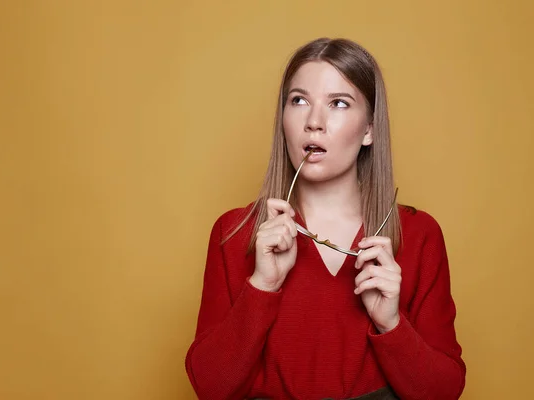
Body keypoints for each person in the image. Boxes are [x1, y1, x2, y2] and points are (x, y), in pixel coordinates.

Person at [185, 38, 466, 400]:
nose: (314, 122)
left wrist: (391, 324)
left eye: (338, 103)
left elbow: (444, 393)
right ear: (282, 119)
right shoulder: (234, 233)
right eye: (298, 101)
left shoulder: (419, 234)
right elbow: (210, 387)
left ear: (369, 130)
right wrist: (261, 286)